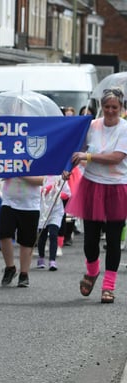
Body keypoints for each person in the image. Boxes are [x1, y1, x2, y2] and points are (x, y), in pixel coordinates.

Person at [65, 87, 127, 304]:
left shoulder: (125, 129)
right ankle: (92, 271)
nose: (110, 111)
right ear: (102, 106)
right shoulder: (92, 126)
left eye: (115, 108)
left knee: (112, 240)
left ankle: (108, 286)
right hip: (92, 186)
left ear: (121, 108)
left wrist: (88, 156)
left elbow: (117, 157)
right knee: (90, 240)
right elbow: (75, 150)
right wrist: (67, 168)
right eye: (107, 107)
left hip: (116, 187)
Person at [0, 174, 44, 288]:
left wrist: (20, 174)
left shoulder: (38, 157)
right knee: (4, 234)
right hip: (8, 201)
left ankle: (24, 274)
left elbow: (41, 180)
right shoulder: (9, 156)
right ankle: (10, 267)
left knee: (27, 241)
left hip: (30, 204)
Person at [37, 175, 70, 271]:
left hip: (56, 211)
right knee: (42, 235)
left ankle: (52, 260)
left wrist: (59, 194)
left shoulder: (60, 177)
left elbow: (68, 193)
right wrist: (50, 188)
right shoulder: (41, 176)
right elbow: (38, 192)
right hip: (43, 210)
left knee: (53, 234)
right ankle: (41, 257)